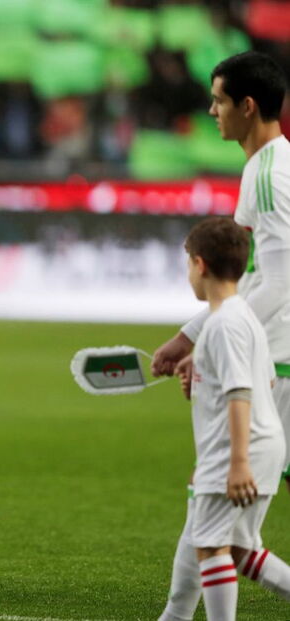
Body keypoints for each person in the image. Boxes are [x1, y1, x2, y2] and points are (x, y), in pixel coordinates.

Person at [152, 51, 290, 620]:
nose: (212, 111)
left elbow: (277, 278)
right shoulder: (263, 166)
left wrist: (207, 339)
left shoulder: (271, 174)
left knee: (220, 518)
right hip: (267, 354)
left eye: (219, 100)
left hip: (277, 364)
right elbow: (255, 275)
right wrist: (194, 336)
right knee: (218, 521)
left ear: (247, 106)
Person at [159, 217, 289, 621]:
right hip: (264, 443)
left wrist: (238, 463)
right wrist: (202, 376)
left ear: (200, 265)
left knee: (211, 547)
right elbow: (264, 379)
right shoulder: (244, 317)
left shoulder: (223, 325)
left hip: (240, 449)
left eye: (188, 264)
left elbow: (240, 392)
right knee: (240, 549)